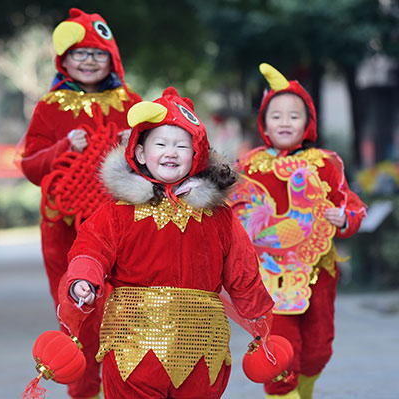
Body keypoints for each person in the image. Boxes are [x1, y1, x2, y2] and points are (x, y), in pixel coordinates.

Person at [59, 87, 274, 399]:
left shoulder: (219, 217)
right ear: (142, 153)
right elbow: (91, 248)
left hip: (202, 347)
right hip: (133, 347)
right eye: (161, 143)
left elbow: (242, 268)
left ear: (197, 155)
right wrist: (84, 278)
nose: (171, 152)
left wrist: (261, 319)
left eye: (182, 146)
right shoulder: (116, 213)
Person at [19, 8, 141, 399]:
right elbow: (30, 166)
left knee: (126, 313)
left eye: (97, 53)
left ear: (113, 58)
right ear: (64, 60)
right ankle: (83, 393)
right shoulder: (49, 107)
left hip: (125, 227)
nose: (88, 61)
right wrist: (61, 148)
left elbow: (164, 159)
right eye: (79, 53)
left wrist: (134, 143)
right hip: (63, 230)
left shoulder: (133, 104)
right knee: (79, 312)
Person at [229, 63, 367, 399]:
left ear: (308, 122)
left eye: (294, 115)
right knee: (280, 347)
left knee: (319, 348)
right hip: (270, 274)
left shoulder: (326, 163)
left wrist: (345, 216)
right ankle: (283, 393)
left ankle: (304, 391)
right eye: (276, 115)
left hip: (318, 269)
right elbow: (229, 209)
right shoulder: (247, 165)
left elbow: (353, 204)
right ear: (263, 122)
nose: (285, 122)